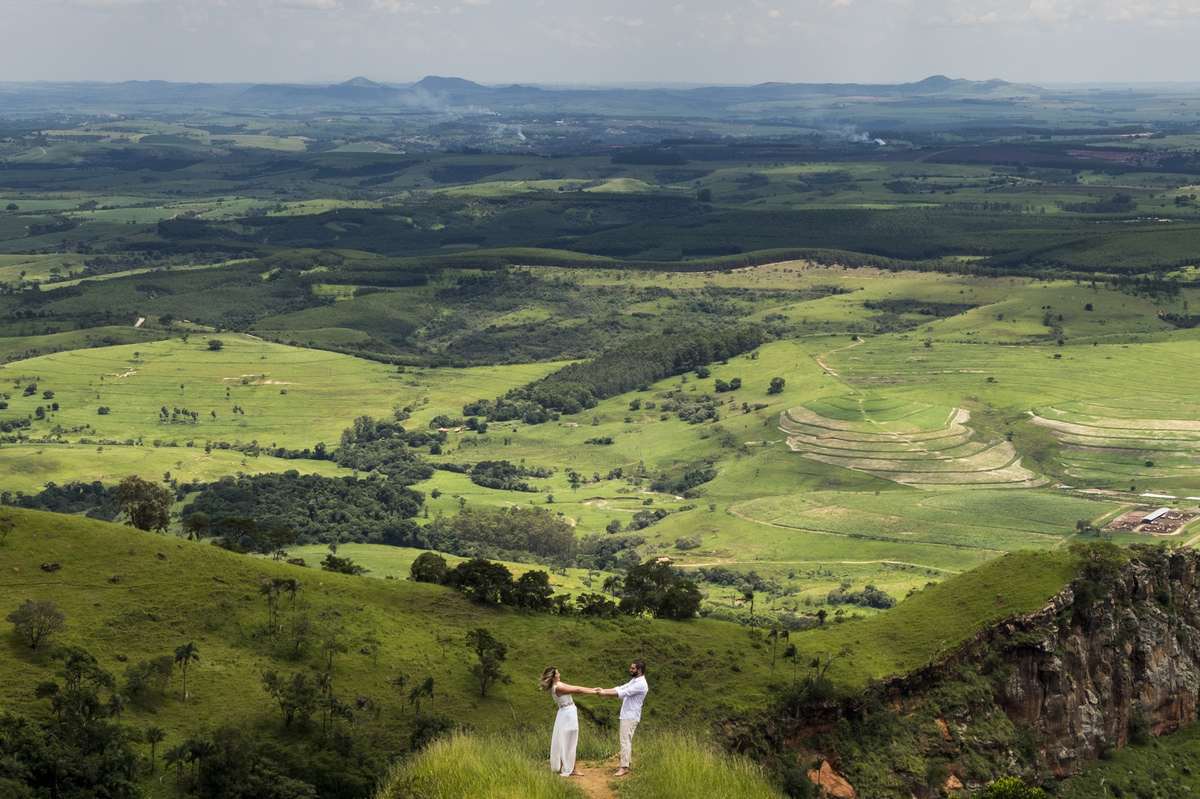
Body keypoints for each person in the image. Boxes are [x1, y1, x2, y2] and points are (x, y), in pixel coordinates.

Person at [593, 660, 648, 776]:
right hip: (628, 714)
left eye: (633, 668)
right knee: (626, 740)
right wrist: (603, 690)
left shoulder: (641, 684)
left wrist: (604, 694)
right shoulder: (634, 680)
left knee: (625, 741)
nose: (630, 670)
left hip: (630, 715)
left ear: (639, 670)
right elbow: (621, 688)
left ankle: (624, 767)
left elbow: (624, 693)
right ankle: (627, 763)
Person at [539, 667, 588, 777]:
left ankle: (566, 765)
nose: (559, 674)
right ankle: (572, 768)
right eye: (557, 673)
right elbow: (577, 690)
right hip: (568, 714)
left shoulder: (558, 685)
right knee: (570, 740)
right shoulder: (557, 688)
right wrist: (594, 691)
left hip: (565, 713)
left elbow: (574, 687)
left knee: (566, 740)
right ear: (553, 676)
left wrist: (593, 689)